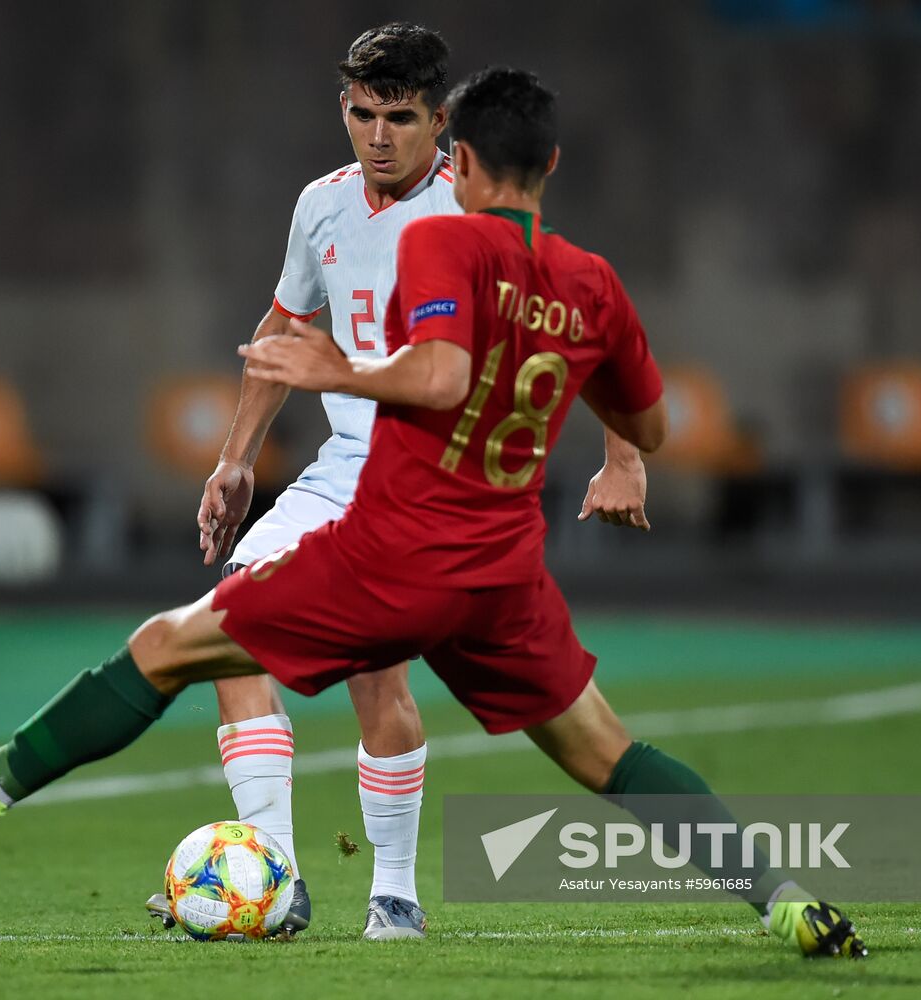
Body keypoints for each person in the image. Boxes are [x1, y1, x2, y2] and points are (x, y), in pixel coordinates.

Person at [0, 66, 861, 957]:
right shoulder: (591, 282)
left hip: (399, 553)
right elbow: (646, 419)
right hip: (504, 575)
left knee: (165, 647)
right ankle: (786, 901)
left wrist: (335, 367)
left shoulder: (443, 237)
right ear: (554, 163)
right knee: (608, 751)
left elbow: (438, 376)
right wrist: (624, 462)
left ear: (463, 157)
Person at [193, 22, 648, 939]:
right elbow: (283, 328)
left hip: (426, 479)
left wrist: (625, 452)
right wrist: (236, 458)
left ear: (442, 122)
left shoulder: (472, 218)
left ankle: (394, 892)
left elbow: (573, 324)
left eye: (400, 117)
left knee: (376, 677)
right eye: (362, 114)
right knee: (228, 634)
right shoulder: (319, 206)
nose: (378, 136)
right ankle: (274, 881)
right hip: (336, 471)